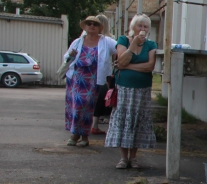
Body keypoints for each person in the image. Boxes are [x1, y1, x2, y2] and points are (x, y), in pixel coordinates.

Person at [106, 14, 158, 169]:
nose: (142, 29)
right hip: (124, 88)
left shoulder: (151, 44)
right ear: (133, 27)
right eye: (139, 26)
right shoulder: (123, 40)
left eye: (145, 26)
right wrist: (133, 45)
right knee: (124, 120)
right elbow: (121, 59)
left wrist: (127, 67)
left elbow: (149, 67)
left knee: (137, 121)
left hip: (142, 89)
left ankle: (134, 157)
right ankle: (123, 158)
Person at [63, 16, 118, 147]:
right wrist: (70, 55)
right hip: (76, 79)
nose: (92, 26)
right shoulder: (78, 41)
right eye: (89, 23)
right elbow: (67, 57)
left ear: (100, 28)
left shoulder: (106, 41)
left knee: (86, 107)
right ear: (85, 27)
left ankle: (80, 135)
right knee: (75, 106)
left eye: (95, 24)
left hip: (93, 80)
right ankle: (79, 135)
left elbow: (120, 49)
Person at [89, 14, 114, 136]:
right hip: (104, 74)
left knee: (90, 98)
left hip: (89, 73)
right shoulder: (109, 39)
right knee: (101, 98)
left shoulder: (86, 38)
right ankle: (95, 124)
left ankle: (88, 124)